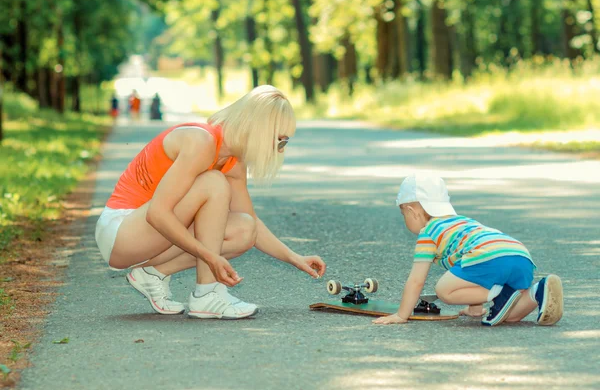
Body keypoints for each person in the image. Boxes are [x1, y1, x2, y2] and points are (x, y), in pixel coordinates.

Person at [95, 85, 326, 319]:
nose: (279, 150)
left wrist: (295, 258)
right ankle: (207, 294)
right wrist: (209, 256)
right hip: (121, 232)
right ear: (260, 129)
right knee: (213, 182)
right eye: (280, 140)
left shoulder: (233, 162)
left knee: (245, 229)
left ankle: (153, 274)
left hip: (150, 238)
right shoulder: (201, 141)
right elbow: (158, 214)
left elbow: (252, 222)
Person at [373, 173, 563, 327]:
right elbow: (473, 273)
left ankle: (499, 293)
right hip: (519, 255)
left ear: (411, 211)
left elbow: (416, 280)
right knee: (509, 317)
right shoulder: (461, 223)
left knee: (444, 290)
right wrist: (474, 309)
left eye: (402, 213)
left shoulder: (428, 233)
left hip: (490, 259)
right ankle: (537, 291)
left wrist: (401, 315)